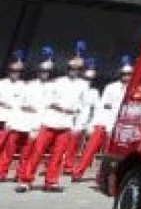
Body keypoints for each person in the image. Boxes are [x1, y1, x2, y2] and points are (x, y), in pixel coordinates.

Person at [17, 42, 90, 192]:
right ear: (67, 69)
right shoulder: (57, 82)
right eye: (71, 68)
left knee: (58, 155)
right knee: (37, 152)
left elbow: (84, 107)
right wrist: (37, 124)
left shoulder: (83, 85)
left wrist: (79, 125)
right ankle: (26, 180)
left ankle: (51, 181)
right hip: (50, 119)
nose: (74, 71)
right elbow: (45, 104)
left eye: (77, 69)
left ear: (80, 71)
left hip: (66, 122)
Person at [71, 56, 132, 182]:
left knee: (110, 154)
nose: (126, 76)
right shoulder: (111, 87)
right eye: (124, 74)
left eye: (129, 74)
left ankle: (102, 176)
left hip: (118, 125)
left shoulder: (132, 89)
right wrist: (94, 123)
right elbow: (103, 106)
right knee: (90, 148)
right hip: (104, 121)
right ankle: (78, 172)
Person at [1, 47, 53, 182]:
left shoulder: (52, 88)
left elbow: (48, 108)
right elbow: (18, 104)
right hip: (19, 120)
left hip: (36, 122)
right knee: (9, 149)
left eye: (47, 72)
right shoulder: (28, 85)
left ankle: (20, 174)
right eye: (42, 71)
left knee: (27, 151)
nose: (44, 73)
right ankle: (2, 172)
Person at [62, 59, 100, 180]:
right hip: (69, 116)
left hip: (84, 119)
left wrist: (91, 123)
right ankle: (62, 164)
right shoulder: (76, 86)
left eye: (91, 79)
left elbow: (97, 108)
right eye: (87, 78)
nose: (89, 81)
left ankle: (69, 165)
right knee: (65, 143)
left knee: (77, 144)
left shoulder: (94, 92)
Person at [0, 52, 26, 147]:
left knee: (8, 148)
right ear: (8, 71)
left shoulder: (24, 86)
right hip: (1, 119)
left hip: (14, 121)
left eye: (18, 71)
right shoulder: (2, 83)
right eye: (13, 71)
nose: (15, 73)